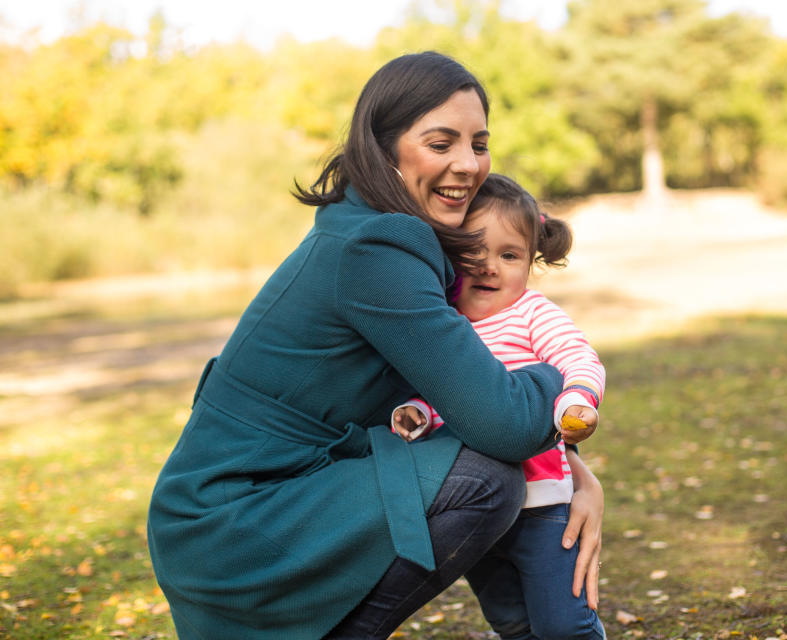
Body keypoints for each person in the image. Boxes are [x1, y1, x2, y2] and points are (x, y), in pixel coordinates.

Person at [146, 51, 603, 640]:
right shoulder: (379, 247)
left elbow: (461, 390)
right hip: (237, 522)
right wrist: (551, 376)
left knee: (469, 467)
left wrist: (577, 473)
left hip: (248, 506)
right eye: (441, 143)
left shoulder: (370, 225)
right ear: (384, 148)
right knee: (486, 479)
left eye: (479, 143)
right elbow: (505, 425)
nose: (468, 164)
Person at [392, 173, 606, 639]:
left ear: (530, 263)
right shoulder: (444, 323)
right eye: (473, 252)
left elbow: (577, 357)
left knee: (563, 623)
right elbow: (439, 390)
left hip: (544, 503)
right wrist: (419, 413)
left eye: (509, 256)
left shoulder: (531, 313)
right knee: (510, 619)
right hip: (476, 513)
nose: (490, 266)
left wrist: (578, 401)